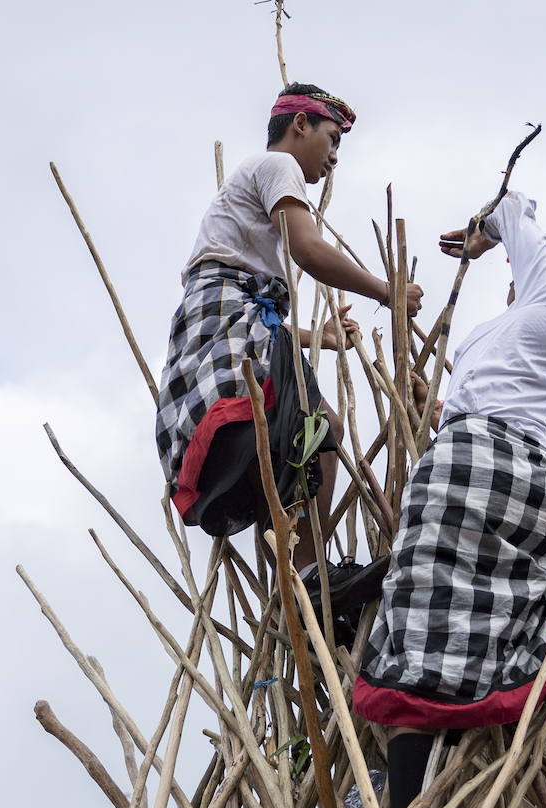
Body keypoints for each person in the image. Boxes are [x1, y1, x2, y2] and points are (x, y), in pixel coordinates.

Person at [352, 189, 546, 808]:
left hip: (474, 470)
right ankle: (412, 807)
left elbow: (513, 206)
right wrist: (434, 407)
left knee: (422, 622)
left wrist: (485, 232)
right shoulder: (531, 332)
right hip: (503, 469)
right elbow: (496, 401)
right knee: (458, 621)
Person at [155, 83, 422, 627]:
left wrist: (317, 337)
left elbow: (250, 316)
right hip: (225, 328)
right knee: (316, 428)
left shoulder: (242, 224)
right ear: (299, 124)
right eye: (331, 138)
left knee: (316, 432)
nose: (334, 157)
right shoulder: (277, 168)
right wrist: (385, 290)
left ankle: (305, 579)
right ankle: (306, 574)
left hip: (221, 331)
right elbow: (307, 248)